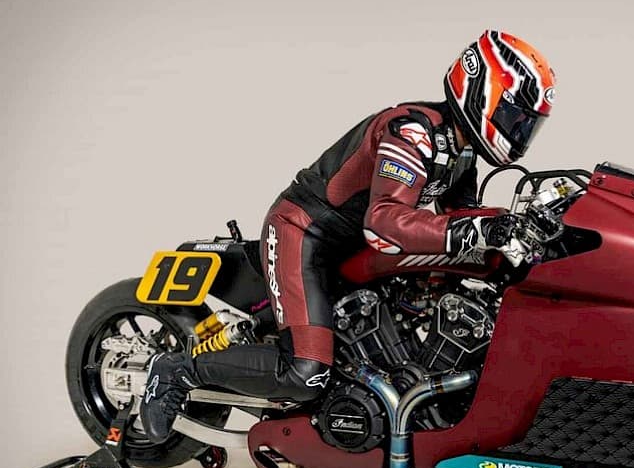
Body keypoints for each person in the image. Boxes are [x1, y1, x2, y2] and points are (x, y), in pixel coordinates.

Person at [140, 30, 557, 443]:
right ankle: (177, 370)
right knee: (306, 371)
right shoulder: (411, 131)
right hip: (306, 234)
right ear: (482, 92)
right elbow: (384, 221)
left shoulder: (462, 153)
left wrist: (524, 225)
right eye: (515, 117)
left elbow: (459, 217)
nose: (519, 130)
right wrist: (480, 229)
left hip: (352, 247)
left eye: (527, 124)